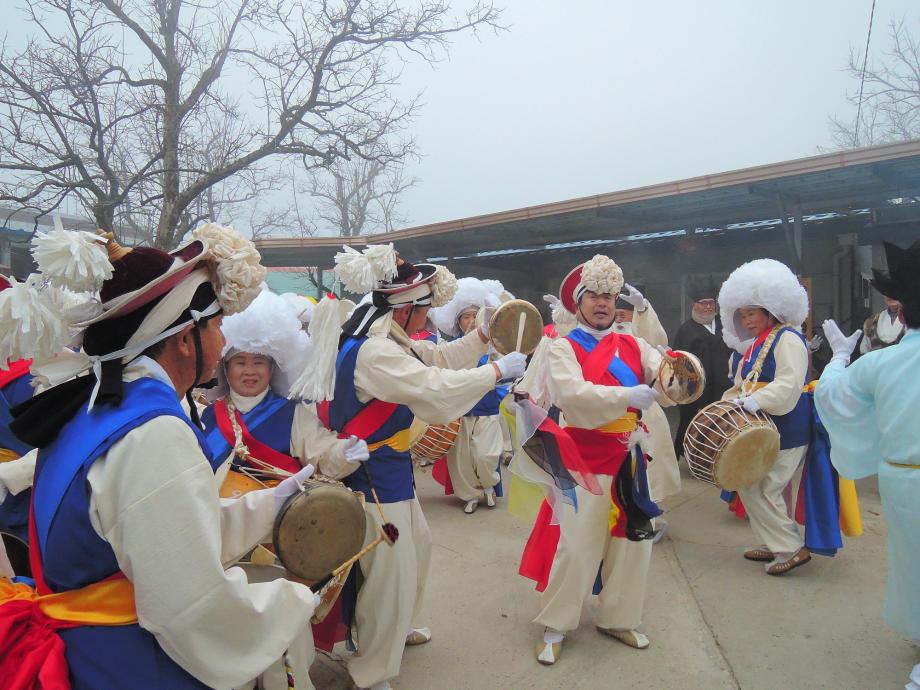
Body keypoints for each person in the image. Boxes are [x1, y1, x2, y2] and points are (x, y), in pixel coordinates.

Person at [0, 224, 321, 689]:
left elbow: (160, 530)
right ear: (186, 338)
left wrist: (271, 506)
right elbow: (190, 606)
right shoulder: (152, 430)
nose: (224, 341)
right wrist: (293, 601)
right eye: (217, 325)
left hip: (92, 651)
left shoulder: (91, 409)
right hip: (128, 662)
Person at [294, 244, 527, 690]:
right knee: (389, 576)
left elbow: (434, 361)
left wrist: (480, 338)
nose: (428, 318)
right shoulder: (375, 353)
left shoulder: (386, 340)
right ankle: (371, 670)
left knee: (416, 553)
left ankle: (392, 633)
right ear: (403, 312)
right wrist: (495, 372)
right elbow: (435, 389)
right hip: (373, 478)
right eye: (423, 310)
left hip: (392, 470)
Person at [200, 288, 370, 688]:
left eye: (259, 361)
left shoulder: (291, 413)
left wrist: (344, 452)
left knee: (283, 626)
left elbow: (321, 452)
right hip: (224, 539)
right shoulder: (207, 415)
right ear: (225, 367)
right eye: (239, 361)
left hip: (276, 538)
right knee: (232, 624)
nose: (249, 370)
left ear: (274, 366)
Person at [516, 254, 678, 665]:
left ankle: (618, 617)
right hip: (581, 459)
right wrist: (628, 396)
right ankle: (556, 623)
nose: (604, 303)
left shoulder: (635, 343)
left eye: (610, 295)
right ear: (580, 302)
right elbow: (572, 396)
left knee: (631, 543)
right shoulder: (561, 347)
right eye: (595, 296)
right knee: (575, 547)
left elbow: (667, 376)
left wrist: (675, 377)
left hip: (629, 458)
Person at [814, 239, 920, 690]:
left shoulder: (883, 362)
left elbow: (832, 395)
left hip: (905, 482)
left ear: (901, 313)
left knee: (913, 563)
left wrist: (838, 356)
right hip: (905, 483)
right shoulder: (887, 359)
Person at [718, 259, 811, 576]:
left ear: (770, 310)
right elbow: (742, 385)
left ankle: (790, 548)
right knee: (750, 484)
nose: (747, 320)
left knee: (765, 487)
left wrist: (757, 400)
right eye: (743, 314)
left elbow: (789, 384)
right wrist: (728, 404)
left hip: (788, 426)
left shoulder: (789, 338)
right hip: (761, 425)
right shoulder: (755, 344)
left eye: (752, 313)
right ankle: (774, 542)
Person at [428, 276, 509, 513]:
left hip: (488, 408)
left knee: (486, 455)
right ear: (458, 321)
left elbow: (504, 374)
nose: (471, 320)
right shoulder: (452, 349)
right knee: (461, 458)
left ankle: (488, 486)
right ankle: (470, 494)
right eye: (466, 316)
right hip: (460, 411)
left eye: (475, 315)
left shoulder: (495, 346)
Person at [608, 283, 681, 524]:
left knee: (651, 467)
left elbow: (657, 341)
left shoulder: (641, 338)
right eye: (616, 309)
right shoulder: (602, 336)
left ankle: (651, 516)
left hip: (645, 410)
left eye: (626, 311)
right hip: (611, 408)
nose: (620, 315)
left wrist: (642, 308)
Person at [672, 275, 733, 457]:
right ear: (694, 305)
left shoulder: (726, 326)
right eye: (703, 303)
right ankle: (693, 456)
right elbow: (679, 363)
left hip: (723, 386)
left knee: (722, 424)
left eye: (711, 302)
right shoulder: (686, 330)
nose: (708, 307)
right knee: (694, 424)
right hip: (697, 389)